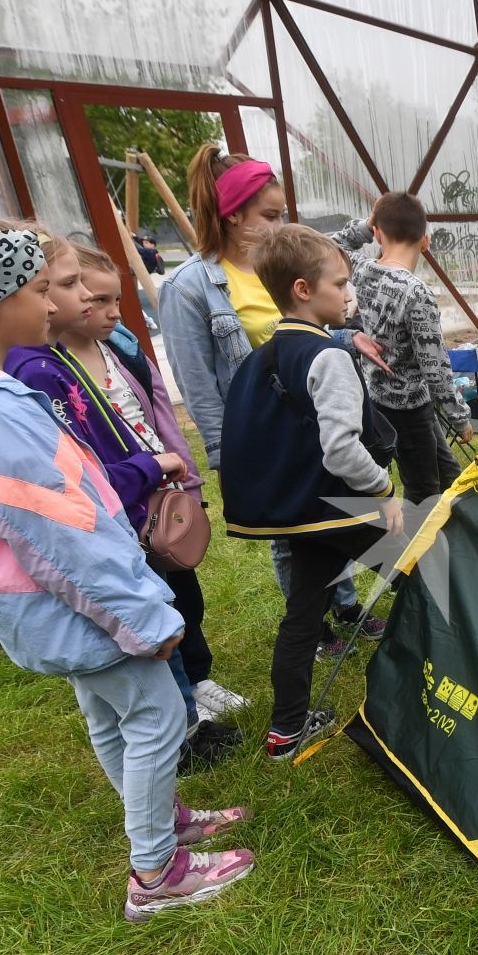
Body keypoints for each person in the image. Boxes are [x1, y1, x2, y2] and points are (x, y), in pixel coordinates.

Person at [0, 203, 253, 923]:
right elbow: (61, 539)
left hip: (45, 612)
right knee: (157, 718)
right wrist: (142, 615)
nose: (52, 304)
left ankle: (163, 827)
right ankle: (158, 872)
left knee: (113, 720)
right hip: (83, 603)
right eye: (38, 288)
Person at [3, 235, 248, 763]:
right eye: (74, 290)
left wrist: (182, 481)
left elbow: (155, 415)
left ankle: (193, 697)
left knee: (182, 599)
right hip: (124, 512)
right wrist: (148, 471)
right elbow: (85, 470)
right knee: (154, 617)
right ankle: (181, 728)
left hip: (153, 498)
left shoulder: (119, 351)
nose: (106, 310)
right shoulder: (40, 371)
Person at [157, 145, 367, 656]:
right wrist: (225, 456)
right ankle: (313, 629)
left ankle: (345, 604)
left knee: (331, 510)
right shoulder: (190, 288)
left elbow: (300, 336)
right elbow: (198, 385)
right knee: (290, 531)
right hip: (260, 428)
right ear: (233, 216)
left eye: (281, 214)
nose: (279, 225)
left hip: (309, 418)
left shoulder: (278, 268)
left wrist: (345, 336)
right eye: (269, 215)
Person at [218, 224, 400, 760]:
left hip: (300, 514)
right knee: (434, 570)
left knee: (302, 615)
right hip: (341, 508)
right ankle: (434, 689)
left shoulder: (261, 358)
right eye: (340, 285)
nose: (350, 296)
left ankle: (285, 732)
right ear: (302, 289)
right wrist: (384, 489)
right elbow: (341, 451)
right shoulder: (328, 357)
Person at [330, 192, 472, 504]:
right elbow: (435, 367)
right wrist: (459, 416)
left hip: (382, 399)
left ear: (378, 234)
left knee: (449, 476)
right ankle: (417, 553)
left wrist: (365, 227)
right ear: (426, 241)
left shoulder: (363, 270)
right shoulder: (415, 292)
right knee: (423, 492)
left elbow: (328, 246)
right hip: (409, 408)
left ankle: (459, 539)